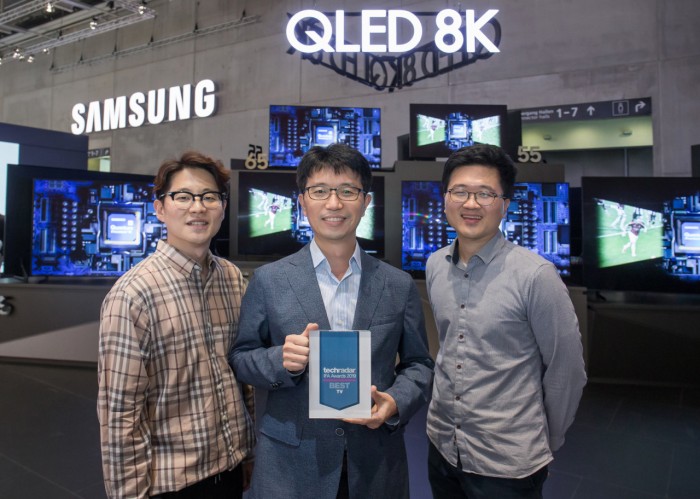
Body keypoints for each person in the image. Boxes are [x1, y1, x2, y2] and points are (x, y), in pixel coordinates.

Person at [230, 143, 434, 499]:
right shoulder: (269, 280)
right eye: (320, 191)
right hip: (291, 467)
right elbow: (242, 357)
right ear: (302, 202)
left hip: (375, 465)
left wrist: (395, 401)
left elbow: (419, 364)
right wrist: (280, 360)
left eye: (347, 191)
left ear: (366, 202)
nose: (334, 203)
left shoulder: (397, 285)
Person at [426, 144, 587, 499]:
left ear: (505, 205)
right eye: (459, 192)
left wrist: (546, 440)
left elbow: (567, 370)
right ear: (445, 199)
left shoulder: (536, 276)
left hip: (507, 463)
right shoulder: (435, 265)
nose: (471, 204)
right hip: (441, 447)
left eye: (485, 194)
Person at [97, 151, 255, 499]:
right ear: (160, 208)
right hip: (172, 484)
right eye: (183, 197)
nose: (197, 208)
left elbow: (241, 377)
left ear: (223, 207)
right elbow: (120, 415)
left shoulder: (231, 279)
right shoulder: (132, 296)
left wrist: (248, 454)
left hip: (231, 471)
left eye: (209, 197)